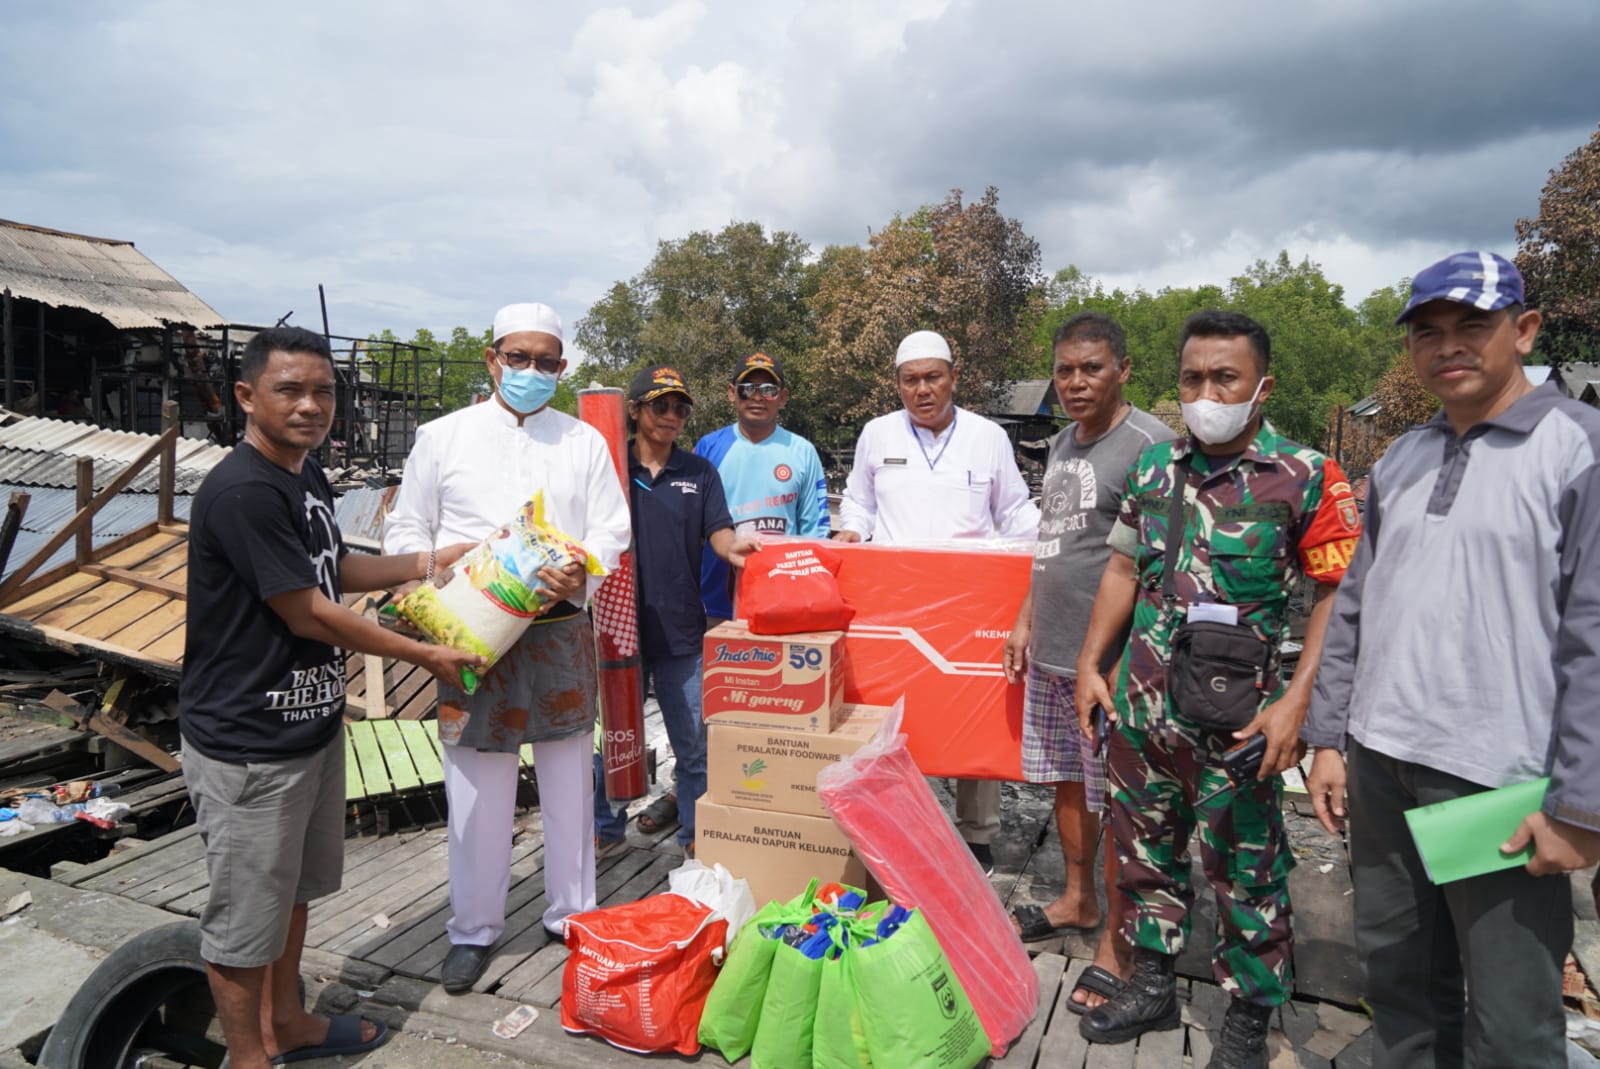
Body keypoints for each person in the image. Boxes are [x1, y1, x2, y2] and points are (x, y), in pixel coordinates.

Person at [1303, 252, 1600, 1068]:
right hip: (1384, 761)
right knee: (1400, 984)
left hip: (1496, 779)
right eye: (1428, 333)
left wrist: (1582, 803)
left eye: (1473, 325)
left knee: (1511, 1018)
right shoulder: (1403, 457)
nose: (1448, 347)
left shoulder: (1576, 448)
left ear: (1525, 329)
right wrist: (1329, 738)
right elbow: (1356, 605)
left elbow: (1595, 634)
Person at [180, 326, 484, 1068]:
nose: (311, 405)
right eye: (290, 390)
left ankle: (290, 1019)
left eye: (323, 390)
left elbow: (332, 566)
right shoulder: (244, 488)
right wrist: (426, 653)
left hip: (310, 728)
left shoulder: (303, 475)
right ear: (247, 396)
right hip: (248, 741)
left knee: (295, 893)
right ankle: (249, 1055)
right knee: (245, 917)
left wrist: (426, 559)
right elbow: (306, 610)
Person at [1072, 310, 1362, 1068]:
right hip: (1141, 709)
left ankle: (1247, 1018)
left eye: (1223, 377)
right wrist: (1089, 663)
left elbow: (1336, 593)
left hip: (1241, 723)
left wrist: (1299, 699)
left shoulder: (1305, 476)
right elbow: (1123, 569)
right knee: (1146, 855)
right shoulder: (1154, 466)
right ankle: (1155, 981)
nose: (1207, 391)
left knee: (1248, 871)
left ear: (1260, 387)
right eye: (1194, 377)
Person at [383, 303, 630, 994]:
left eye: (544, 360)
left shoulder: (582, 442)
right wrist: (436, 567)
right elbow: (405, 527)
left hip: (556, 631)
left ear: (562, 367)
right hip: (470, 636)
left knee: (568, 785)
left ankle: (572, 914)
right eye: (516, 357)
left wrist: (586, 567)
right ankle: (474, 927)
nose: (529, 371)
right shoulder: (442, 437)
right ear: (491, 358)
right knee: (475, 787)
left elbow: (612, 527)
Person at [1001, 313, 1174, 1016]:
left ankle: (1117, 941)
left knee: (1120, 801)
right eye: (1065, 369)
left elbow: (1156, 567)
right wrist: (1024, 616)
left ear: (1123, 369)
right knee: (1067, 784)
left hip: (1109, 663)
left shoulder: (1151, 445)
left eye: (1091, 368)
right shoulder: (1065, 440)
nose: (1075, 382)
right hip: (1052, 651)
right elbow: (1055, 538)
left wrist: (1110, 658)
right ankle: (1078, 897)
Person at [836, 329, 1040, 872]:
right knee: (895, 718)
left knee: (974, 714)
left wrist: (1050, 541)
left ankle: (977, 836)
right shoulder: (877, 434)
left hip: (970, 600)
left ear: (953, 377)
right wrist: (852, 532)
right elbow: (857, 502)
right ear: (897, 384)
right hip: (895, 600)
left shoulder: (988, 436)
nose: (923, 389)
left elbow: (1014, 510)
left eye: (933, 377)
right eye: (911, 380)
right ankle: (900, 830)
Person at [626, 364, 760, 854]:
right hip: (618, 630)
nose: (671, 415)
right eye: (660, 405)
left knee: (693, 744)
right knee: (615, 741)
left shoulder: (699, 471)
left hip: (682, 629)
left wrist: (734, 550)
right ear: (635, 410)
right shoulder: (612, 468)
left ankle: (694, 838)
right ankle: (602, 829)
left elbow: (719, 530)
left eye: (680, 407)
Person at [695, 351, 830, 623]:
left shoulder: (802, 452)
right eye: (747, 389)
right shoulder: (707, 448)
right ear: (732, 393)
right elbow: (689, 527)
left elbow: (816, 532)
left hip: (783, 601)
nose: (757, 397)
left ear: (783, 397)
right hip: (715, 606)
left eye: (768, 390)